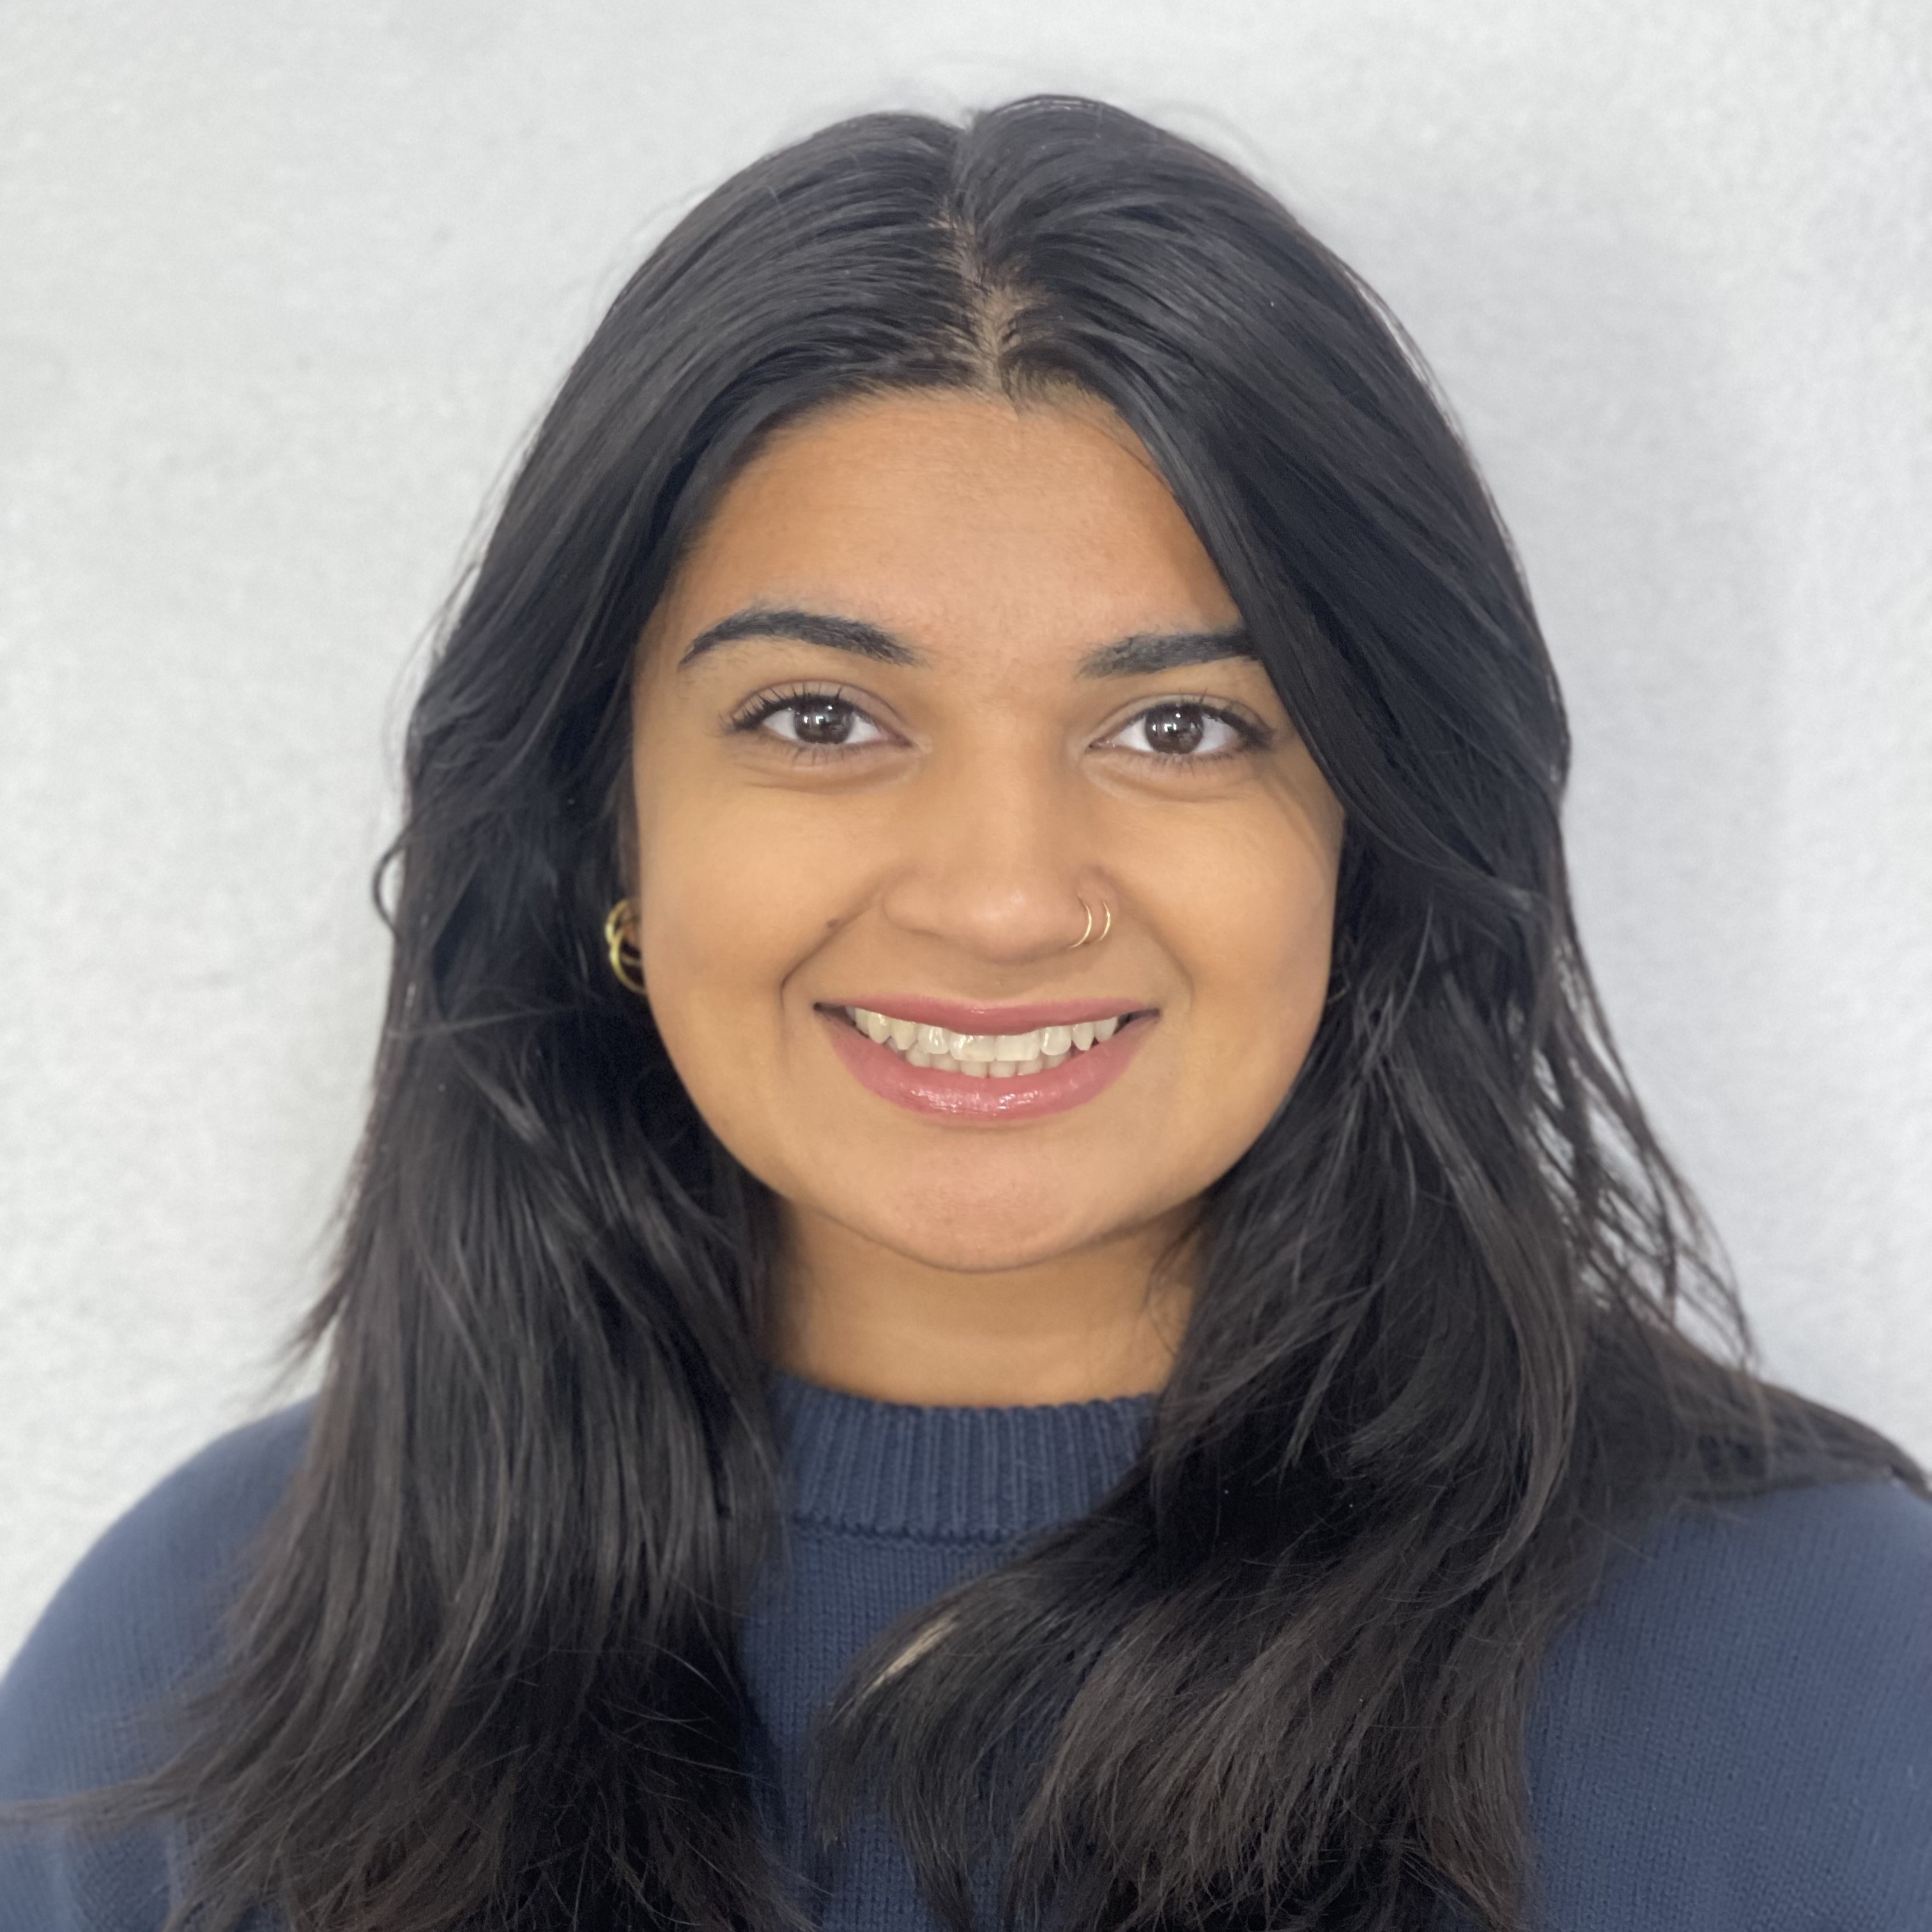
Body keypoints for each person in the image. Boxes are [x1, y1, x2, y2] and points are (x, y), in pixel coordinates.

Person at [0, 95, 1924, 1932]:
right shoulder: (199, 1657)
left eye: (1181, 727)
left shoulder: (1828, 1669)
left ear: (1376, 833)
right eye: (821, 718)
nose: (1004, 897)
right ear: (608, 827)